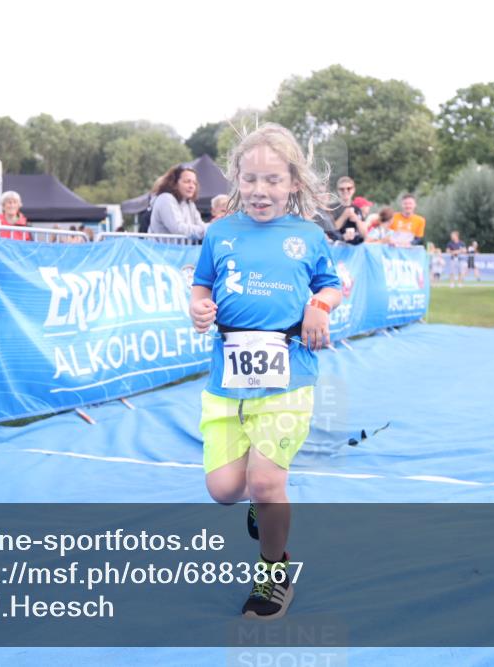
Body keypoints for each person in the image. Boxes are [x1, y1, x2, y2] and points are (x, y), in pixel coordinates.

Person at [189, 123, 342, 620]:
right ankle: (256, 499)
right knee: (224, 491)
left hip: (289, 375)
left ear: (293, 182)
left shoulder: (308, 235)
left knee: (267, 482)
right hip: (226, 381)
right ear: (236, 178)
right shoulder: (219, 233)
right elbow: (201, 288)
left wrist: (319, 304)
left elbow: (333, 286)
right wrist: (200, 309)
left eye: (273, 180)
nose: (260, 190)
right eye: (251, 179)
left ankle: (274, 573)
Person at [149, 165, 208, 240]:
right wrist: (206, 230)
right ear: (174, 183)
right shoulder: (165, 198)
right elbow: (177, 228)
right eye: (187, 181)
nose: (192, 186)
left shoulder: (189, 203)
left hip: (180, 250)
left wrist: (213, 228)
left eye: (194, 183)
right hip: (161, 250)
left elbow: (200, 224)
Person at [332, 176, 367, 244]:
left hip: (354, 251)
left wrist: (357, 220)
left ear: (353, 190)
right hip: (337, 250)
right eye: (342, 189)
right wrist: (344, 216)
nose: (345, 191)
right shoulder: (332, 209)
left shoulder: (357, 209)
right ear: (338, 191)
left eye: (349, 188)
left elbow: (364, 234)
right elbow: (331, 231)